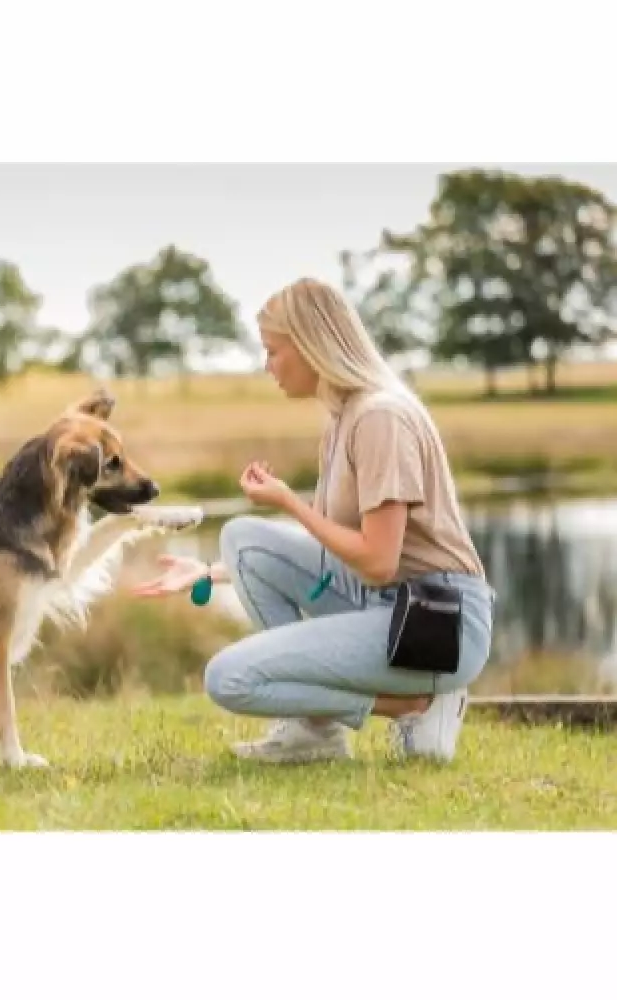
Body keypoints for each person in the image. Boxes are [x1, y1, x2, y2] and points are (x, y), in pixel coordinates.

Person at [131, 277, 495, 764]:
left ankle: (412, 702)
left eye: (273, 351)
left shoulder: (380, 418)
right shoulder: (344, 417)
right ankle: (314, 732)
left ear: (310, 346)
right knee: (242, 539)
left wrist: (290, 503)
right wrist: (211, 573)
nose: (267, 366)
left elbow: (379, 561)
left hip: (434, 625)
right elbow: (337, 550)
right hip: (383, 603)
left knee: (228, 679)